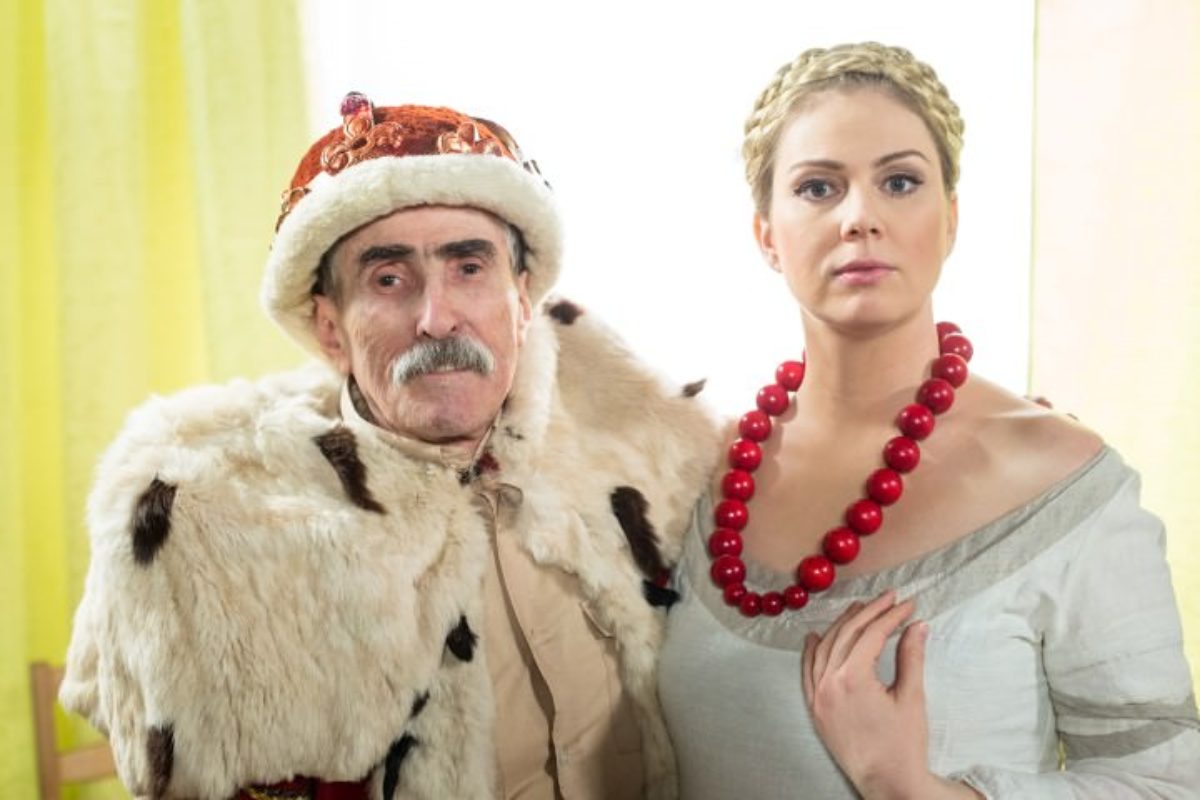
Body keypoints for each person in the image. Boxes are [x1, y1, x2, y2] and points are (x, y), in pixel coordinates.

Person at [59, 94, 719, 799]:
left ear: (522, 301)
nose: (437, 318)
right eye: (389, 279)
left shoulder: (646, 450)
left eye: (469, 269)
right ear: (331, 330)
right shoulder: (220, 533)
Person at [658, 42, 1200, 798]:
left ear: (949, 219)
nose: (859, 218)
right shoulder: (693, 469)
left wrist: (908, 785)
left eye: (900, 182)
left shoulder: (1062, 480)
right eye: (817, 188)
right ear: (767, 237)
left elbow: (1167, 785)